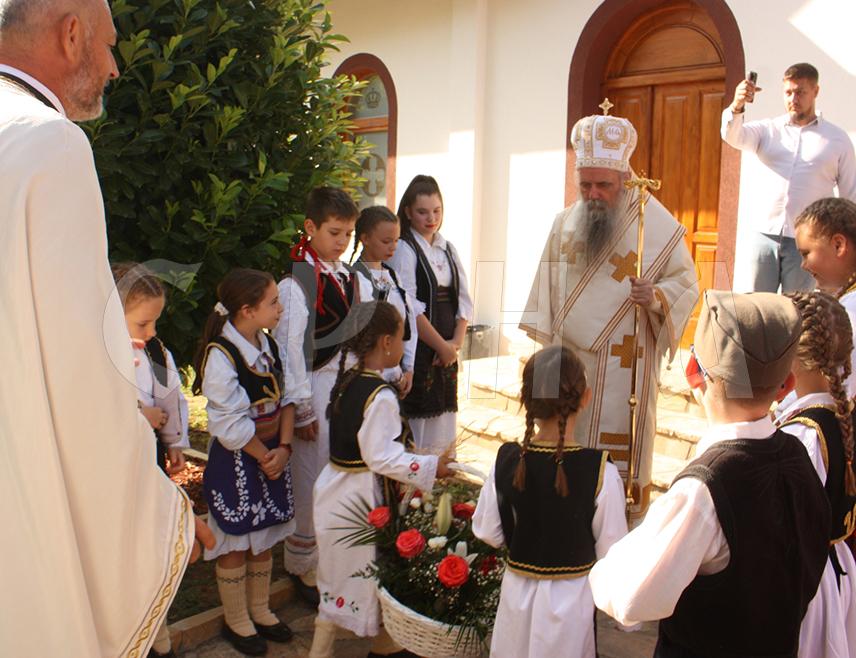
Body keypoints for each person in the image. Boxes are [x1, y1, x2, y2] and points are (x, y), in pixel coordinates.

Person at [0, 1, 212, 655]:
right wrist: (164, 523)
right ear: (71, 34)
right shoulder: (48, 143)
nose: (117, 67)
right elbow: (83, 378)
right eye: (111, 44)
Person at [589, 289, 831, 657]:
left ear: (692, 373)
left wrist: (602, 572)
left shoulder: (703, 490)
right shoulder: (800, 456)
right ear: (786, 386)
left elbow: (630, 597)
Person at [520, 110, 698, 519]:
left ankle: (618, 527)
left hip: (625, 360)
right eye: (585, 185)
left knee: (615, 465)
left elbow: (687, 283)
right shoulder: (564, 222)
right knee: (565, 448)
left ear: (624, 178)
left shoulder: (654, 224)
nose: (593, 194)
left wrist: (655, 296)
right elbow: (546, 291)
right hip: (568, 360)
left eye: (604, 185)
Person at [309, 301, 452, 658]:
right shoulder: (381, 396)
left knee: (338, 574)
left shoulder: (349, 380)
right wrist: (433, 465)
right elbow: (380, 456)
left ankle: (370, 645)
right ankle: (380, 645)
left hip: (335, 490)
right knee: (369, 570)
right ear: (386, 342)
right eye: (403, 338)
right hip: (361, 501)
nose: (404, 346)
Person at [472, 345, 627, 658]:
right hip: (569, 610)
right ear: (585, 397)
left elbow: (487, 531)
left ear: (526, 401)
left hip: (516, 598)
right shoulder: (601, 472)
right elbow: (613, 553)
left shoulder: (506, 460)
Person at [274, 187, 373, 600]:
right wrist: (302, 408)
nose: (342, 241)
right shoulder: (296, 283)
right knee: (311, 476)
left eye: (348, 234)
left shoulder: (351, 277)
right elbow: (290, 349)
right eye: (335, 232)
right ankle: (303, 565)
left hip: (347, 386)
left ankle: (337, 556)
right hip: (316, 385)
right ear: (310, 227)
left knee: (344, 472)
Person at [193, 268, 296, 656]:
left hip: (272, 455)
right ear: (247, 310)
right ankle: (237, 618)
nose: (280, 307)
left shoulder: (268, 343)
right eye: (273, 302)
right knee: (236, 541)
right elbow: (229, 425)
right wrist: (265, 455)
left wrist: (283, 449)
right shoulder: (221, 356)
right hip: (240, 460)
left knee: (264, 536)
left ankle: (260, 609)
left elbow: (287, 399)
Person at [722, 63, 856, 294]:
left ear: (815, 91)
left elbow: (850, 194)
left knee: (798, 311)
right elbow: (733, 136)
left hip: (808, 241)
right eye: (788, 92)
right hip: (762, 235)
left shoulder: (837, 139)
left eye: (800, 92)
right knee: (758, 307)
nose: (793, 98)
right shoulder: (768, 130)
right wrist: (737, 106)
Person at [776, 291, 856, 658]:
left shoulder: (804, 435)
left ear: (795, 359)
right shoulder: (841, 415)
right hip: (835, 570)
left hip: (807, 581)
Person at [387, 174, 473, 456]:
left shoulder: (448, 248)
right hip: (421, 352)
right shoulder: (403, 249)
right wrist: (440, 346)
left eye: (437, 211)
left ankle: (442, 492)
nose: (431, 218)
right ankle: (416, 496)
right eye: (423, 212)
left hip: (445, 352)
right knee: (418, 427)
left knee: (444, 424)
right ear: (408, 212)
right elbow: (409, 306)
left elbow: (464, 301)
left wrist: (454, 346)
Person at [113, 262, 190, 476]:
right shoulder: (100, 356)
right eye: (142, 323)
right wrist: (140, 415)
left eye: (155, 322)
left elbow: (171, 396)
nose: (152, 331)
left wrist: (174, 441)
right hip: (114, 456)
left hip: (150, 451)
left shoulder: (156, 352)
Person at [351, 205, 418, 393]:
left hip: (397, 374)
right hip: (369, 376)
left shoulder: (393, 276)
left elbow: (409, 321)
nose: (393, 247)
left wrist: (408, 368)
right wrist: (394, 373)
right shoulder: (355, 278)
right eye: (386, 241)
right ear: (365, 239)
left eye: (396, 240)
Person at [794, 197, 856, 397]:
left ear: (838, 245)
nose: (803, 265)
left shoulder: (850, 312)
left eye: (806, 253)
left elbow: (833, 390)